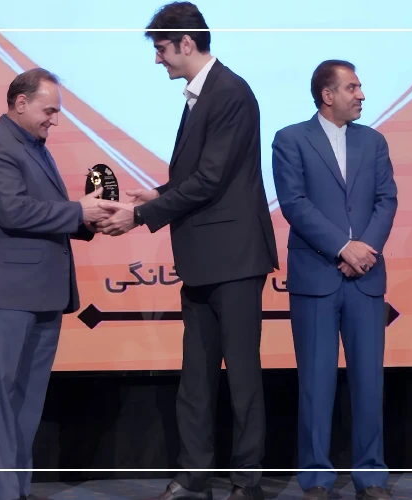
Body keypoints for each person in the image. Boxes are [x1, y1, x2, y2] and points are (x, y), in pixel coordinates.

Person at [96, 3, 279, 499]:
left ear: (186, 43)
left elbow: (212, 178)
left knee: (242, 379)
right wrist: (156, 194)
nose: (157, 59)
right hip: (201, 258)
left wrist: (140, 216)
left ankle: (247, 480)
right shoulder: (201, 94)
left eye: (161, 49)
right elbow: (196, 175)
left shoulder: (231, 92)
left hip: (235, 258)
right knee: (195, 378)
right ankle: (194, 476)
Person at [0, 68, 109, 500]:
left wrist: (90, 220)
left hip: (41, 293)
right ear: (20, 103)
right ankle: (0, 494)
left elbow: (46, 210)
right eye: (49, 111)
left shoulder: (35, 147)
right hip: (2, 294)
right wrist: (78, 211)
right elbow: (13, 211)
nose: (54, 120)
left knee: (27, 403)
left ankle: (17, 489)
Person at [271, 60, 398, 500]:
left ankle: (372, 476)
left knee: (369, 382)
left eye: (360, 87)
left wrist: (364, 250)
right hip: (315, 278)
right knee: (316, 383)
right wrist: (343, 248)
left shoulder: (374, 141)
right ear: (327, 95)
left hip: (366, 279)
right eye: (352, 87)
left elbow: (386, 200)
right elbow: (294, 203)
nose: (361, 95)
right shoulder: (290, 139)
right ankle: (316, 478)